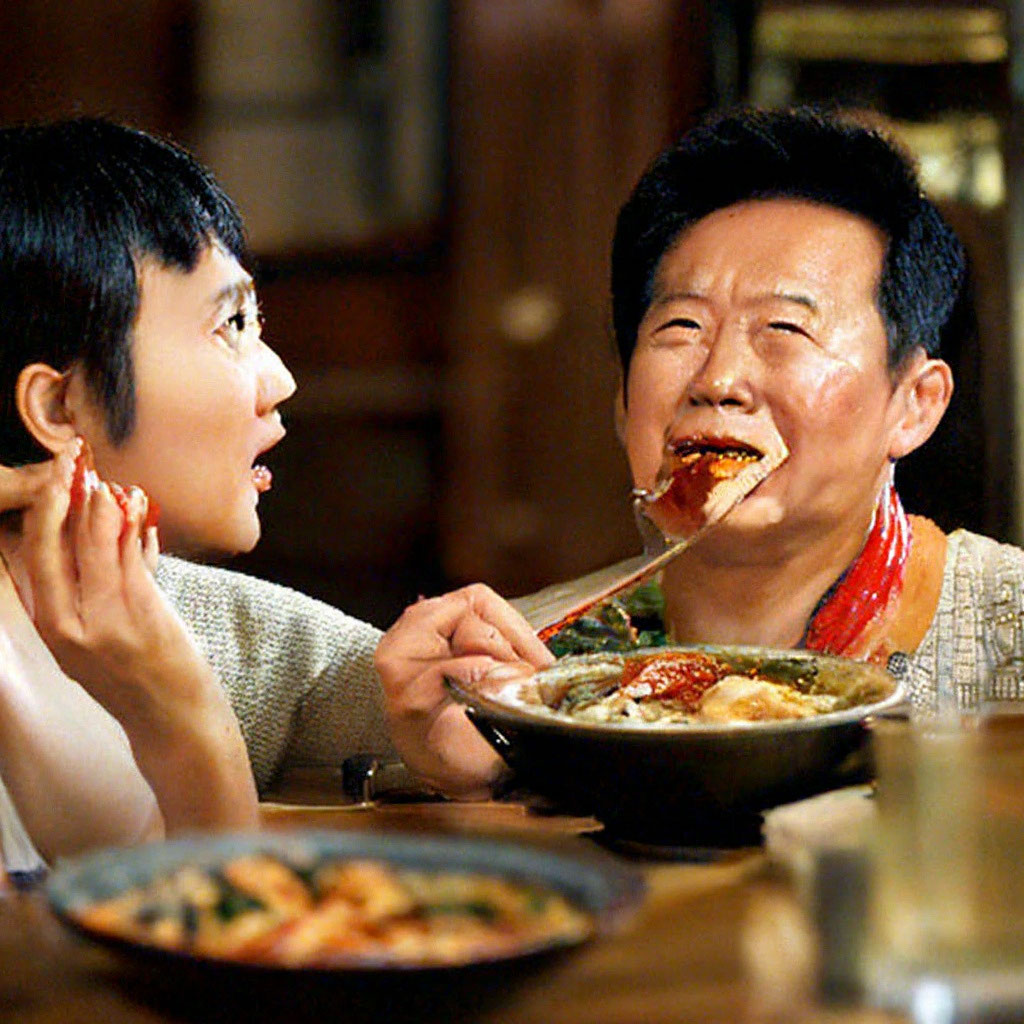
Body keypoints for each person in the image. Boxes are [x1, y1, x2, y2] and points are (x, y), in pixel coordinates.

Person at [377, 105, 1017, 796]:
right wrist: (483, 780)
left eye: (784, 329)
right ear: (624, 401)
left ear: (915, 403)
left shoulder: (1007, 628)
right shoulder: (511, 672)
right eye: (681, 326)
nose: (718, 379)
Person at [0, 118, 394, 877]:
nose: (280, 380)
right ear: (58, 409)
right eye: (231, 324)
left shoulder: (100, 619)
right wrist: (189, 715)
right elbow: (221, 919)